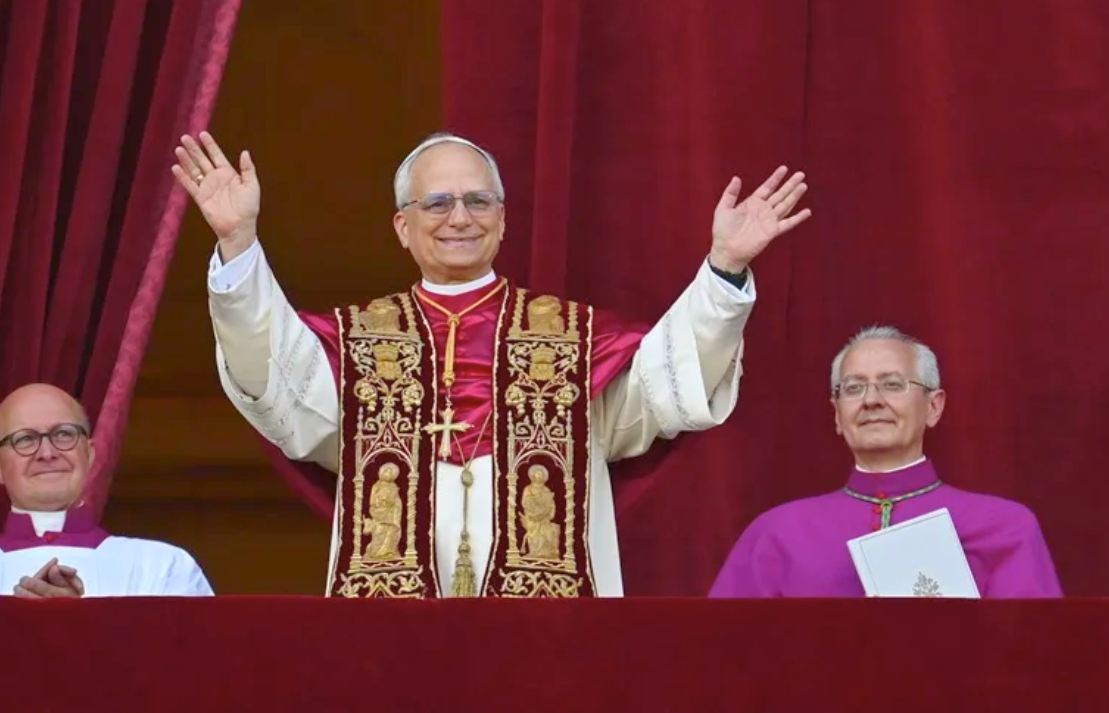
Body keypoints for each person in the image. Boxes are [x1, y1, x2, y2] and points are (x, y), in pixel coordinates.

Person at [174, 131, 811, 597]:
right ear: (401, 226)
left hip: (548, 626)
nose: (460, 217)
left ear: (503, 222)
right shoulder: (357, 340)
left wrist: (724, 268)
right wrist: (237, 244)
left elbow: (668, 383)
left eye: (479, 202)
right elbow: (274, 382)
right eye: (438, 203)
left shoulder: (572, 339)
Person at [708, 326, 1062, 598]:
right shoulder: (776, 535)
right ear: (836, 414)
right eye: (853, 388)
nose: (872, 400)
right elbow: (723, 659)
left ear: (933, 407)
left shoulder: (1005, 529)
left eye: (893, 385)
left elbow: (1037, 664)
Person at [0, 383, 213, 597]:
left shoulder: (163, 570)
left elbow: (191, 682)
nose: (47, 453)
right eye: (25, 440)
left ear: (90, 453)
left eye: (63, 435)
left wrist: (82, 628)